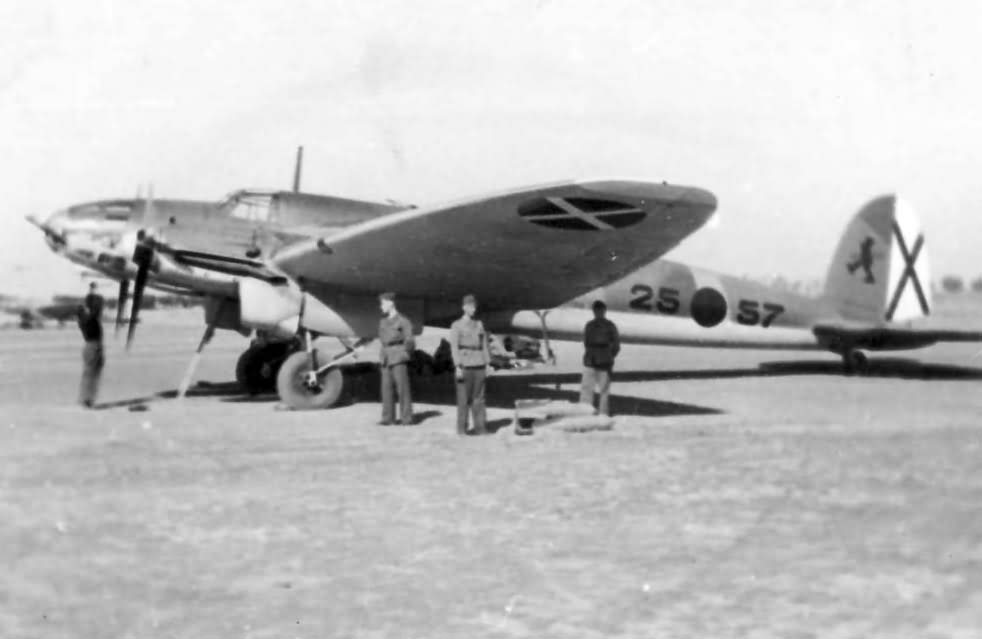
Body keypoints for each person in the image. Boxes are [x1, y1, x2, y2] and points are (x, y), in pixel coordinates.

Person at [449, 294, 492, 436]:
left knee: (479, 398)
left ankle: (480, 428)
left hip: (479, 364)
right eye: (471, 306)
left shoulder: (479, 324)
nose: (474, 309)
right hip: (465, 364)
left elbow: (484, 345)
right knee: (463, 399)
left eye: (475, 306)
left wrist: (488, 363)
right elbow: (454, 347)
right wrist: (457, 366)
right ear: (464, 307)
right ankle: (462, 429)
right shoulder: (456, 325)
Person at [377, 291, 415, 425]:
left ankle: (407, 418)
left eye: (383, 304)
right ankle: (388, 418)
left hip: (398, 356)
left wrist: (404, 354)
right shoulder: (382, 322)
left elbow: (409, 341)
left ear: (390, 303)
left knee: (402, 389)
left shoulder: (403, 321)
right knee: (386, 388)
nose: (381, 307)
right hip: (386, 356)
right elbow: (382, 339)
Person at [580, 300, 620, 416]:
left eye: (600, 310)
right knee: (586, 389)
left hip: (605, 362)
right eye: (596, 310)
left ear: (604, 311)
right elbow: (586, 342)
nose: (598, 312)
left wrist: (609, 356)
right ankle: (584, 412)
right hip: (590, 361)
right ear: (594, 311)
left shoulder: (610, 326)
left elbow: (616, 345)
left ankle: (603, 413)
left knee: (604, 390)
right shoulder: (589, 325)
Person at [77, 282, 105, 408]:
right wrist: (92, 292)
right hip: (94, 347)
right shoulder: (90, 319)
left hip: (89, 346)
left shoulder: (83, 320)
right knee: (93, 375)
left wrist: (91, 292)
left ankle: (84, 399)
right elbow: (95, 310)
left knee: (88, 374)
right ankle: (88, 400)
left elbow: (93, 308)